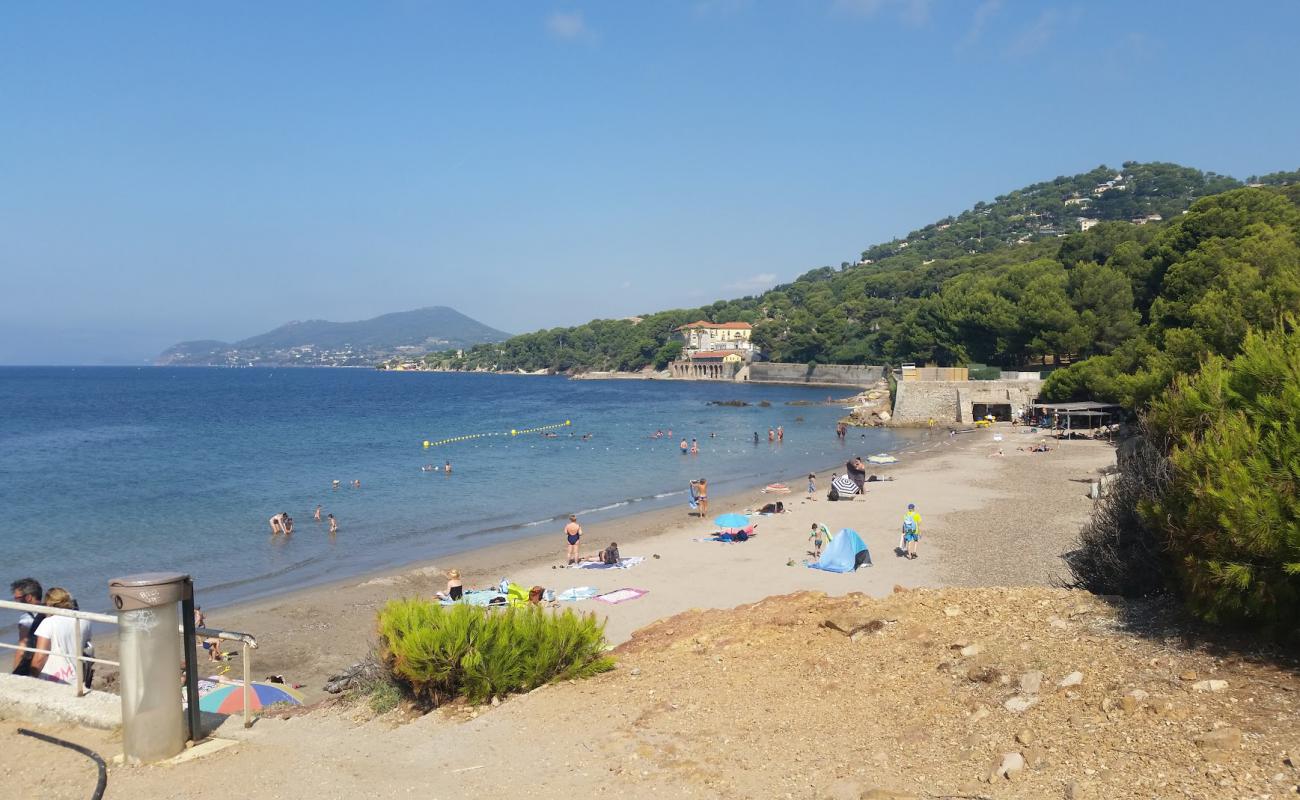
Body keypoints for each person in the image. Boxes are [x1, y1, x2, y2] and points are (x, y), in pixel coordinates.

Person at [29, 587, 90, 686]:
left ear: (48, 604)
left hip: (53, 677)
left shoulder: (48, 623)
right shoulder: (84, 620)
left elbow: (40, 657)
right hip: (77, 677)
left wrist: (32, 677)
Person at [10, 578, 44, 676]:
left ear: (28, 597)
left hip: (35, 663)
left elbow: (22, 648)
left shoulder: (26, 619)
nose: (16, 602)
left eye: (17, 598)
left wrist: (15, 674)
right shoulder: (49, 611)